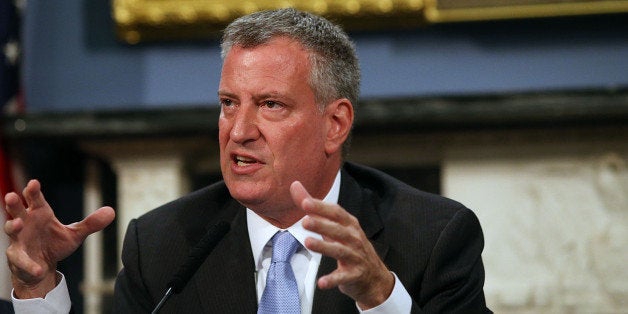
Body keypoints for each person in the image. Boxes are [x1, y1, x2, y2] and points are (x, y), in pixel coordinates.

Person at [4, 8, 491, 313]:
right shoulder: (163, 245)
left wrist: (381, 297)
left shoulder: (433, 237)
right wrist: (38, 288)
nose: (238, 131)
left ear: (335, 124)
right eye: (228, 103)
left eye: (271, 105)